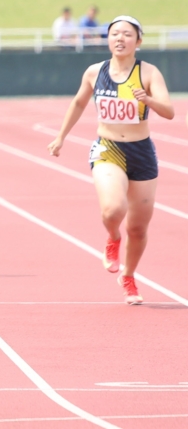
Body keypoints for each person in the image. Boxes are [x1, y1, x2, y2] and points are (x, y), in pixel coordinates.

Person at [48, 16, 173, 305]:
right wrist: (60, 137)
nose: (120, 38)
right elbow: (79, 102)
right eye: (114, 33)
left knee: (139, 228)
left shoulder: (149, 73)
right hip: (108, 148)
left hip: (141, 152)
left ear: (138, 41)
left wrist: (149, 100)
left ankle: (128, 276)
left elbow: (169, 110)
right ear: (107, 39)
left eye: (127, 34)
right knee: (113, 209)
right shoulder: (95, 72)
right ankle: (112, 237)